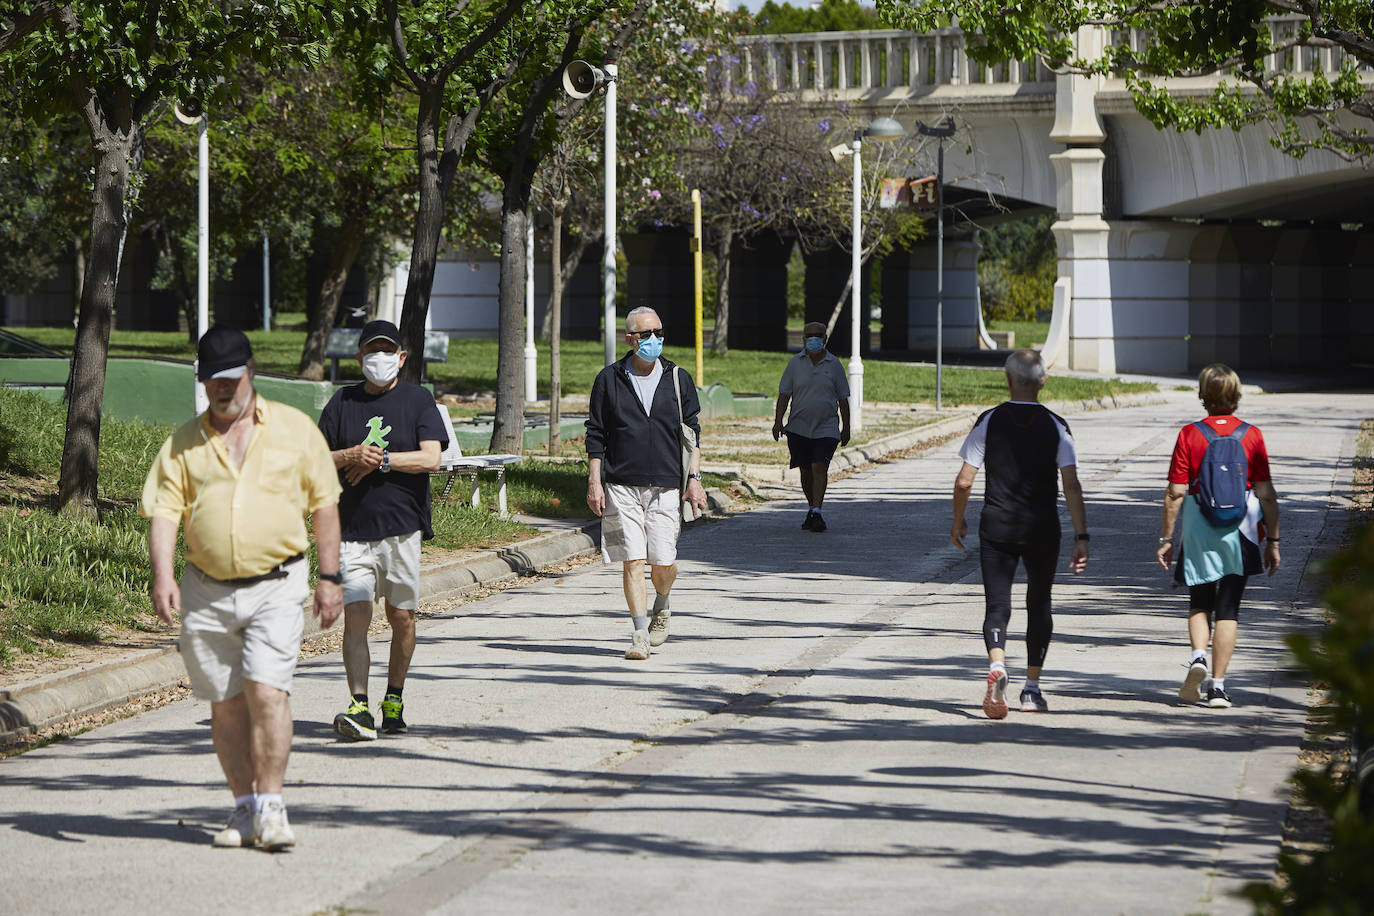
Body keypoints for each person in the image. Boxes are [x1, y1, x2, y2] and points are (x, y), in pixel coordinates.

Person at [141, 325, 343, 851]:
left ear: (251, 373)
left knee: (266, 691)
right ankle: (245, 808)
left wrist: (329, 577)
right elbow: (164, 513)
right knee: (226, 703)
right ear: (203, 383)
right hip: (206, 590)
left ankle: (273, 806)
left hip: (277, 584)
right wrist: (163, 576)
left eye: (230, 379)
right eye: (212, 382)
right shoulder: (183, 443)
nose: (222, 390)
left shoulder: (296, 431)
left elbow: (324, 504)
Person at [317, 319, 448, 740]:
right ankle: (359, 705)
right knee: (357, 614)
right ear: (359, 358)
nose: (380, 358)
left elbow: (431, 460)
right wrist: (349, 454)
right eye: (371, 351)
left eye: (387, 351)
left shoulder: (418, 401)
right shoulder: (341, 403)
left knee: (402, 616)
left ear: (402, 357)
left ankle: (394, 697)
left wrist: (383, 460)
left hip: (401, 530)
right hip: (350, 531)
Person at [950, 349, 1089, 719]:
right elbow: (1072, 486)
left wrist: (958, 521)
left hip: (997, 525)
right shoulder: (1058, 425)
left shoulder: (989, 421)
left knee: (997, 604)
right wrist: (1081, 535)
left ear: (1007, 380)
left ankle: (997, 663)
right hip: (1042, 526)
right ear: (1044, 380)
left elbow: (965, 480)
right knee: (1038, 603)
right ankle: (1031, 690)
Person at [585, 306, 709, 660]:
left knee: (664, 561)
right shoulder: (609, 379)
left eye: (658, 332)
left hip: (667, 484)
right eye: (645, 334)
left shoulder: (677, 377)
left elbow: (692, 435)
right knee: (632, 560)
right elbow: (596, 434)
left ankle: (663, 603)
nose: (654, 339)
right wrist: (595, 481)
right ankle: (639, 633)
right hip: (621, 483)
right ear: (630, 339)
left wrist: (694, 480)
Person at [1156, 364, 1280, 709]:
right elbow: (1266, 493)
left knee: (1200, 598)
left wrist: (1166, 538)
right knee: (1229, 608)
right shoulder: (1252, 435)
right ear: (1236, 396)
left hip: (1199, 523)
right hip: (1239, 526)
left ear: (1203, 396)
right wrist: (1273, 540)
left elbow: (1175, 492)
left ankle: (1198, 657)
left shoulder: (1190, 434)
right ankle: (1218, 688)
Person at [771, 321, 851, 532]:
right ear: (803, 339)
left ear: (825, 339)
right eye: (810, 335)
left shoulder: (834, 364)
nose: (814, 339)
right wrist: (778, 421)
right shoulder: (795, 363)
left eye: (818, 335)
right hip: (798, 427)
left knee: (819, 466)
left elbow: (843, 399)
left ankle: (817, 511)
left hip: (826, 427)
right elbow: (784, 395)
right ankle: (811, 508)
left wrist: (847, 427)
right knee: (805, 470)